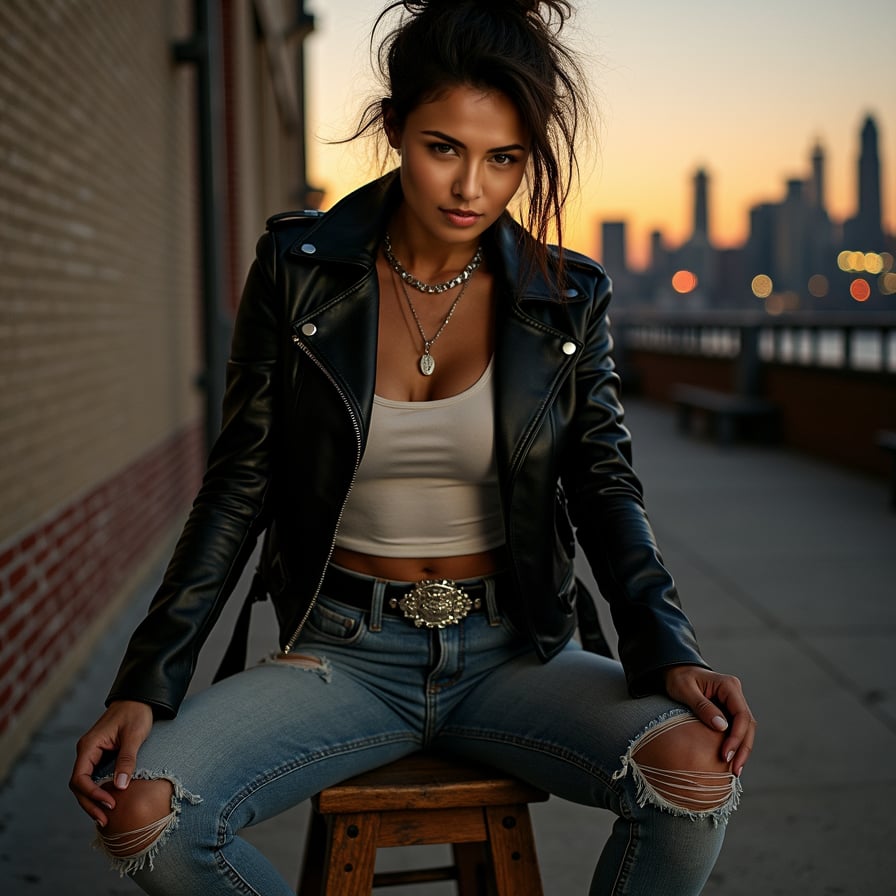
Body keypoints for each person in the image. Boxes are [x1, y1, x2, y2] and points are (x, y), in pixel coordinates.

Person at [70, 1, 756, 893]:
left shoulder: (566, 297)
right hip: (344, 653)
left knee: (696, 774)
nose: (472, 188)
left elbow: (603, 486)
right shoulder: (298, 269)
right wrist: (146, 683)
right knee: (142, 819)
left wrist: (672, 650)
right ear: (395, 128)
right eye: (445, 148)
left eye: (504, 159)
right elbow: (239, 486)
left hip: (515, 653)